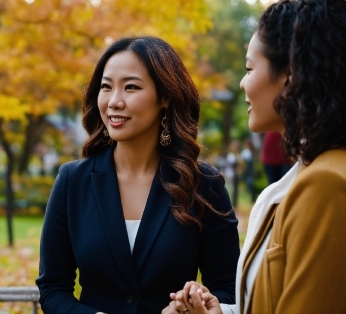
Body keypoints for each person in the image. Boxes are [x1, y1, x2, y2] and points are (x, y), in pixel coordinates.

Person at [36, 36, 240, 314]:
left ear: (165, 97)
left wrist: (195, 305)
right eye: (106, 87)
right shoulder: (73, 181)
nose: (114, 102)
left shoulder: (204, 184)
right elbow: (53, 289)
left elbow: (228, 289)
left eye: (131, 87)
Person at [168, 0, 346, 313]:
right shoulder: (310, 172)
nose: (242, 82)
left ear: (290, 76)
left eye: (249, 69)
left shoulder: (326, 183)